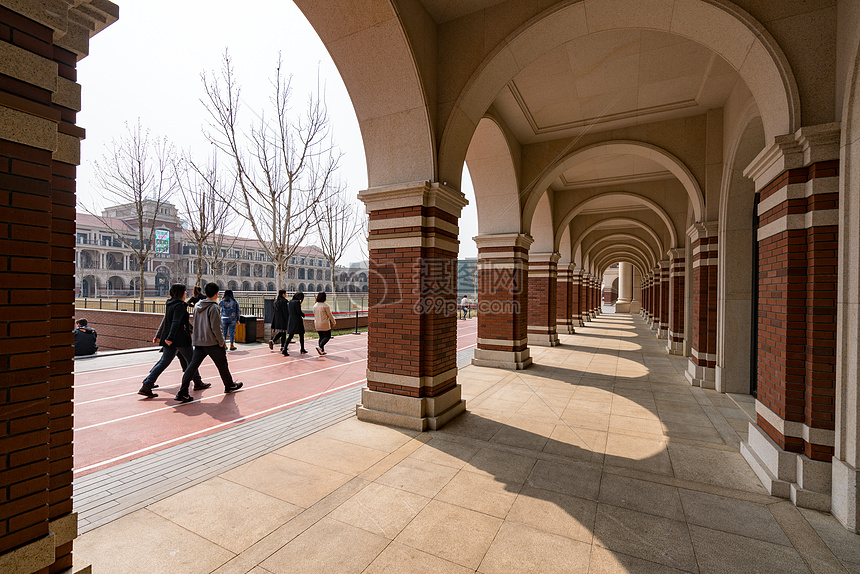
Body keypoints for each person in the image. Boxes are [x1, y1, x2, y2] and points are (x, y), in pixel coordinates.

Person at [175, 282, 243, 403]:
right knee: (222, 364)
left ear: (205, 293)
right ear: (217, 293)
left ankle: (182, 391)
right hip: (212, 342)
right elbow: (216, 327)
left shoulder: (197, 306)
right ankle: (229, 385)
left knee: (191, 367)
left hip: (199, 341)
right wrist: (221, 342)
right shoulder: (214, 307)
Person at [138, 284, 209, 399]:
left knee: (164, 362)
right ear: (181, 293)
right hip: (180, 339)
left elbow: (170, 320)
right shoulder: (179, 306)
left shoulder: (170, 304)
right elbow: (176, 322)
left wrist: (163, 336)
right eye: (185, 291)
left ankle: (147, 384)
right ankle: (197, 382)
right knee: (192, 361)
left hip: (171, 339)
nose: (186, 293)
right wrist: (170, 337)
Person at [283, 291, 307, 356]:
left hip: (291, 319)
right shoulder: (297, 302)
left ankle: (285, 348)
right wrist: (303, 315)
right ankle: (302, 349)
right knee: (301, 335)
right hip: (297, 320)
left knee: (290, 335)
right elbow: (298, 311)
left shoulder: (290, 301)